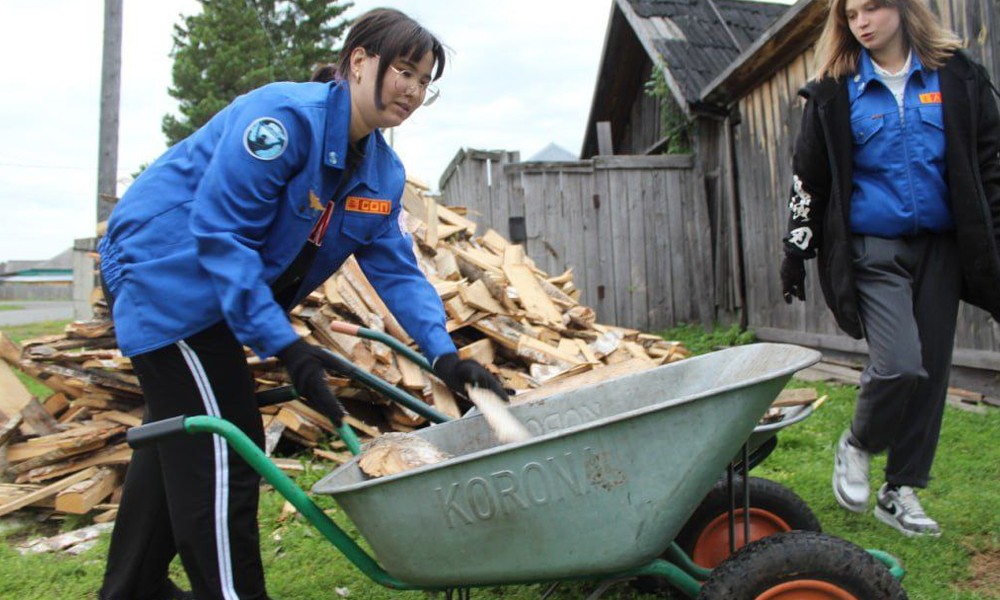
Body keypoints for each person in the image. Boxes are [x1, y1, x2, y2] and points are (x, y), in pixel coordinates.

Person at [97, 9, 507, 600]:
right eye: (404, 71)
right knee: (222, 446)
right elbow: (220, 231)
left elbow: (395, 269)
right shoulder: (283, 121)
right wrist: (286, 345)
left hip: (208, 290)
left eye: (425, 81)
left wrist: (445, 357)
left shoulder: (381, 172)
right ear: (359, 61)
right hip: (161, 274)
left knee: (177, 432)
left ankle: (131, 588)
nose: (414, 91)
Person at [780, 0, 1000, 537]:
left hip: (942, 247)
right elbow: (808, 176)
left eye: (872, 8)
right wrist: (796, 248)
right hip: (873, 248)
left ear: (902, 9)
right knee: (900, 362)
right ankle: (857, 444)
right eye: (851, 14)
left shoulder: (958, 77)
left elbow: (990, 160)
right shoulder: (835, 91)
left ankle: (899, 491)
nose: (861, 22)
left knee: (932, 374)